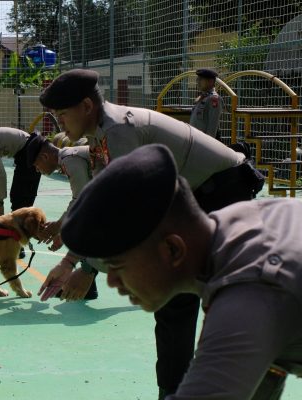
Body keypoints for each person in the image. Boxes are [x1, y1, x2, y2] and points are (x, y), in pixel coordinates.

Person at [39, 68, 265, 398]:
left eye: (62, 115)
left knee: (183, 295)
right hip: (197, 194)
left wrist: (85, 267)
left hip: (222, 191)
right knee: (178, 296)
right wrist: (70, 260)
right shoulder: (102, 132)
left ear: (86, 106)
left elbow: (125, 209)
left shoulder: (119, 131)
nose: (59, 124)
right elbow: (104, 197)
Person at [61, 143, 301, 400]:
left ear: (173, 250)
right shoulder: (239, 223)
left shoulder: (248, 294)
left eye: (117, 266)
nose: (113, 282)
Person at [26, 137, 103, 301]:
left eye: (36, 165)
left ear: (45, 157)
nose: (38, 170)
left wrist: (59, 226)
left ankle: (86, 278)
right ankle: (88, 285)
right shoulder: (69, 160)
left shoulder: (70, 159)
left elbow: (80, 199)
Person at [189, 68, 221, 139]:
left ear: (210, 81)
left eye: (201, 79)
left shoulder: (213, 98)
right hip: (196, 140)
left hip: (205, 143)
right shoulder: (202, 97)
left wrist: (208, 145)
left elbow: (212, 126)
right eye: (197, 79)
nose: (197, 81)